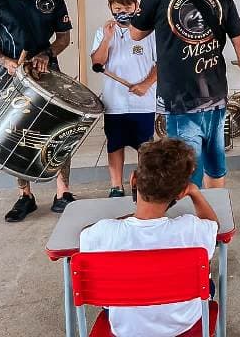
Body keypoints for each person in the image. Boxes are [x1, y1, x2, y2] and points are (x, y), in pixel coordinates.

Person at [130, 0, 240, 188]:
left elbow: (136, 34)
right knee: (215, 162)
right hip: (215, 94)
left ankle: (194, 223)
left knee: (185, 170)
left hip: (179, 98)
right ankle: (212, 221)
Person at [80, 138, 219, 337]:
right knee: (207, 284)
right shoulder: (190, 228)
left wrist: (128, 218)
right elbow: (213, 226)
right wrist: (195, 192)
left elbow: (85, 233)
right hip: (184, 326)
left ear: (133, 179)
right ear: (180, 193)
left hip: (125, 330)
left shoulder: (104, 232)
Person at [0, 0, 75, 221]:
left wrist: (47, 54)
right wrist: (7, 61)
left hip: (48, 75)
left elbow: (63, 38)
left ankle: (62, 192)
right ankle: (25, 195)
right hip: (12, 79)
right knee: (15, 135)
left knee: (60, 131)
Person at [91, 0, 157, 197]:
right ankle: (116, 186)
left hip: (143, 101)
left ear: (136, 6)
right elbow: (97, 62)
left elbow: (161, 63)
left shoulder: (149, 31)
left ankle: (143, 185)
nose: (122, 13)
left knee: (145, 148)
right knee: (114, 145)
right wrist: (107, 39)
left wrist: (146, 84)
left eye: (127, 9)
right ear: (110, 7)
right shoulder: (103, 32)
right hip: (114, 102)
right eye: (117, 9)